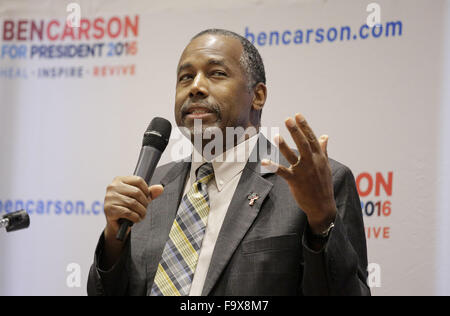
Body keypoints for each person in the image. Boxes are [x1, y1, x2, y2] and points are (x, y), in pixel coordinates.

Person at [87, 29, 370, 296]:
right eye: (185, 77)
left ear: (257, 96)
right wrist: (114, 238)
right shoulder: (151, 186)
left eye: (217, 74)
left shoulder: (319, 182)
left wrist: (321, 223)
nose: (196, 87)